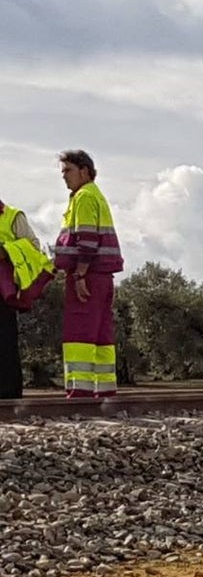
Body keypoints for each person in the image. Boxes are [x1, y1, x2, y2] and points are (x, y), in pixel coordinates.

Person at [53, 150, 124, 398]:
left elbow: (87, 239)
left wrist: (80, 275)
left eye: (68, 171)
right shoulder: (96, 195)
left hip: (88, 275)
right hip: (102, 276)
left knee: (80, 330)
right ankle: (105, 389)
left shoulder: (83, 197)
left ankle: (79, 389)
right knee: (102, 334)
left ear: (84, 171)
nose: (64, 176)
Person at [0, 200, 53, 399]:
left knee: (5, 339)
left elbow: (33, 246)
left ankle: (8, 393)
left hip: (3, 290)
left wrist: (6, 251)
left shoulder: (13, 216)